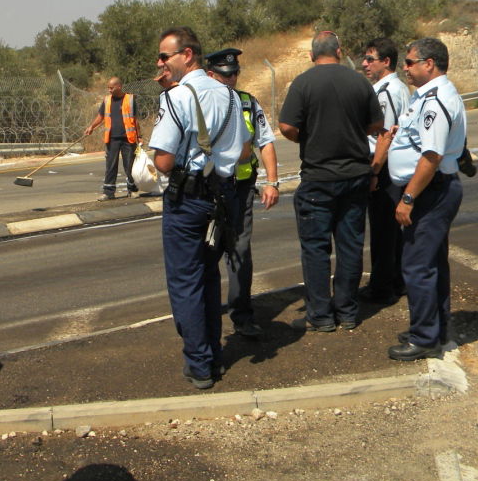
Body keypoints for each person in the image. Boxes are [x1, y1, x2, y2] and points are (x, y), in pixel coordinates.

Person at [149, 27, 248, 389]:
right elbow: (244, 151)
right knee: (208, 277)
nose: (160, 63)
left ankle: (200, 363)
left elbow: (163, 161)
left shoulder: (177, 97)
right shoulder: (231, 95)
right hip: (223, 197)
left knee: (186, 282)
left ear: (187, 55)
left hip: (188, 200)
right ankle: (213, 355)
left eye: (165, 56)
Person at [278, 31, 383, 332]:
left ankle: (321, 315)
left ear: (312, 55)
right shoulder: (359, 82)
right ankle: (347, 312)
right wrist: (354, 130)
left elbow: (286, 126)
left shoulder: (303, 83)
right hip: (355, 175)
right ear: (339, 51)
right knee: (350, 246)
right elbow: (376, 124)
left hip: (319, 177)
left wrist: (306, 136)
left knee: (316, 248)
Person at [374, 37, 467, 361]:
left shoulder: (435, 101)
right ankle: (435, 328)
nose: (405, 67)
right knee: (431, 264)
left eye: (411, 62)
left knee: (417, 266)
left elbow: (431, 156)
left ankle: (425, 337)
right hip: (434, 189)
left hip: (431, 192)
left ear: (429, 64)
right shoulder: (428, 96)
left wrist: (409, 197)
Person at [205, 47, 279, 339]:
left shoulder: (248, 102)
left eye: (235, 73)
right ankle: (206, 317)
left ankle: (242, 316)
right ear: (210, 75)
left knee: (240, 252)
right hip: (210, 191)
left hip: (241, 189)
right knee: (207, 253)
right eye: (225, 75)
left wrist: (272, 182)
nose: (232, 79)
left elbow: (266, 141)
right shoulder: (200, 104)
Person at [360, 38, 410, 304]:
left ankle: (382, 288)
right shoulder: (395, 88)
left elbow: (384, 136)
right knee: (389, 229)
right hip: (390, 163)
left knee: (382, 230)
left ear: (386, 61)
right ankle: (398, 280)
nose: (364, 64)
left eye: (370, 59)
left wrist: (375, 171)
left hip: (383, 164)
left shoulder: (385, 92)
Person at [84, 77, 142, 200]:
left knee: (130, 166)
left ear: (119, 86)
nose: (109, 90)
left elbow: (135, 120)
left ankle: (132, 190)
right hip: (112, 139)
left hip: (128, 138)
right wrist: (91, 127)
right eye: (108, 88)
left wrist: (139, 136)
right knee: (110, 166)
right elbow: (100, 116)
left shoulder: (130, 99)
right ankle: (108, 192)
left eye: (111, 88)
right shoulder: (107, 100)